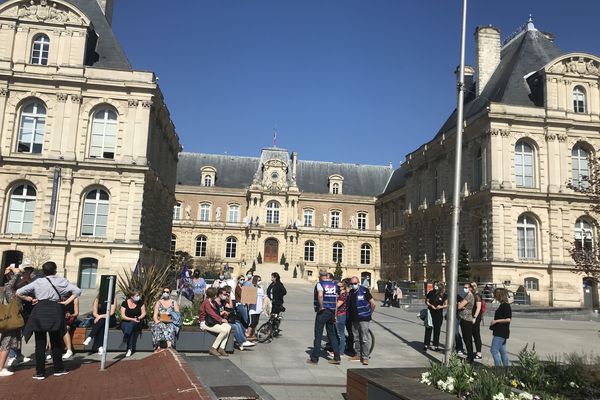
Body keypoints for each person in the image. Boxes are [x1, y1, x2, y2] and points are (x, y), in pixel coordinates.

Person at [16, 261, 81, 380]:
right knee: (55, 341)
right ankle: (58, 369)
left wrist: (30, 299)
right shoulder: (61, 281)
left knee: (40, 343)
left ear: (43, 271)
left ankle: (40, 372)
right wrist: (66, 302)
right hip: (55, 310)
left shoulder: (38, 282)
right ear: (55, 270)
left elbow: (18, 292)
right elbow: (77, 291)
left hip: (39, 310)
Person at [308, 271, 340, 365]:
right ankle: (337, 357)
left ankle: (315, 358)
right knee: (332, 334)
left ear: (322, 277)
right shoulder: (334, 285)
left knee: (318, 334)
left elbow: (320, 295)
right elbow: (336, 297)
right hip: (331, 311)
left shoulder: (320, 284)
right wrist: (335, 312)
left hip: (323, 311)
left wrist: (321, 306)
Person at [6, 265, 35, 368]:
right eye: (26, 270)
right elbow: (14, 287)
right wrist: (16, 273)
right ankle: (12, 356)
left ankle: (18, 355)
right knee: (13, 335)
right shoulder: (11, 285)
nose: (28, 272)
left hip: (22, 312)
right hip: (13, 313)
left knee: (19, 334)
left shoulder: (26, 281)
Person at [347, 275, 376, 365]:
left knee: (364, 338)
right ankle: (358, 354)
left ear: (358, 282)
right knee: (356, 338)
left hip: (364, 318)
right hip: (354, 318)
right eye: (352, 284)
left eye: (355, 283)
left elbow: (373, 303)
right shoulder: (351, 292)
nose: (353, 285)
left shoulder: (364, 290)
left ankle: (365, 357)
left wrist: (369, 313)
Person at [0, 265, 22, 376]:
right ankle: (1, 368)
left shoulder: (8, 288)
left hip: (6, 319)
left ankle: (1, 366)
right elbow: (12, 284)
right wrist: (16, 272)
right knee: (6, 343)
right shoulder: (8, 288)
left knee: (6, 342)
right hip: (9, 320)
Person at [220, 286, 255, 350]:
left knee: (239, 324)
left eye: (229, 293)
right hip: (222, 321)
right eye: (226, 293)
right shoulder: (221, 302)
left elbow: (231, 308)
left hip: (227, 320)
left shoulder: (225, 301)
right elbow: (229, 308)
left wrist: (229, 299)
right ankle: (241, 342)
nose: (227, 295)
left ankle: (242, 341)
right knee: (235, 326)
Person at [199, 287, 231, 357]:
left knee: (228, 327)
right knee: (224, 330)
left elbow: (216, 313)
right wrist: (221, 319)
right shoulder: (206, 303)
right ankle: (213, 348)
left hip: (212, 322)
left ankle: (221, 348)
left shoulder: (212, 302)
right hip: (205, 323)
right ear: (214, 295)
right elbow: (211, 313)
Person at [120, 290, 147, 357]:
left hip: (137, 321)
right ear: (132, 297)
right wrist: (132, 319)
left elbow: (144, 313)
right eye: (137, 296)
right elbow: (123, 316)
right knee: (129, 328)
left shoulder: (140, 303)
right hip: (126, 321)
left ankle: (128, 346)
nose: (138, 297)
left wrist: (138, 318)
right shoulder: (124, 303)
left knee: (131, 325)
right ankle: (129, 349)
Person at [490, 288, 512, 367]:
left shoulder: (505, 306)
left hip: (501, 332)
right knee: (502, 351)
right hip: (501, 331)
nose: (494, 296)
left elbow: (508, 319)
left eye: (495, 295)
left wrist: (496, 321)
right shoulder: (503, 305)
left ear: (499, 295)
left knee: (494, 350)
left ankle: (498, 368)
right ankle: (506, 368)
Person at [423, 282, 448, 352]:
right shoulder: (431, 292)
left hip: (439, 314)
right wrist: (431, 305)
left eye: (437, 285)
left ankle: (436, 345)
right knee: (428, 329)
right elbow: (427, 301)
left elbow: (446, 304)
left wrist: (441, 306)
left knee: (437, 330)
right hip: (430, 313)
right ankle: (426, 345)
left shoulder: (444, 295)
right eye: (434, 285)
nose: (435, 286)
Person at [457, 282, 475, 363]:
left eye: (466, 287)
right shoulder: (468, 295)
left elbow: (459, 306)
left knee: (467, 338)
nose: (465, 288)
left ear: (470, 288)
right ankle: (470, 355)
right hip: (465, 317)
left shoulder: (469, 295)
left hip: (466, 318)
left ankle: (470, 356)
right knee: (467, 338)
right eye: (464, 287)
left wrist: (459, 304)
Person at [61, 292, 79, 359]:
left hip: (70, 319)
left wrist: (70, 315)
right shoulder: (59, 298)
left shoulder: (74, 298)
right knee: (54, 329)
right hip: (60, 319)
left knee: (65, 328)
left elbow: (76, 313)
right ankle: (49, 351)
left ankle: (69, 350)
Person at [335, 279, 350, 358]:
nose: (337, 288)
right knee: (339, 333)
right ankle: (338, 350)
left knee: (340, 334)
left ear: (343, 287)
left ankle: (341, 352)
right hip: (340, 314)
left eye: (339, 286)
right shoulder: (341, 294)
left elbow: (337, 305)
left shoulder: (344, 295)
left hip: (341, 315)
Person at [246, 275, 264, 340]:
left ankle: (252, 335)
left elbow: (262, 297)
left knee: (256, 322)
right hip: (253, 308)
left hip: (259, 308)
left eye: (260, 280)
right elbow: (247, 298)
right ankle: (247, 334)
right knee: (252, 322)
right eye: (259, 280)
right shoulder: (252, 287)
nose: (260, 281)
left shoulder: (261, 288)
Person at [470, 282, 483, 359]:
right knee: (473, 334)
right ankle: (476, 352)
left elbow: (478, 308)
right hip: (472, 317)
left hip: (475, 317)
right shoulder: (471, 295)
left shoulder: (477, 296)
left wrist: (474, 317)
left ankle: (479, 353)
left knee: (476, 334)